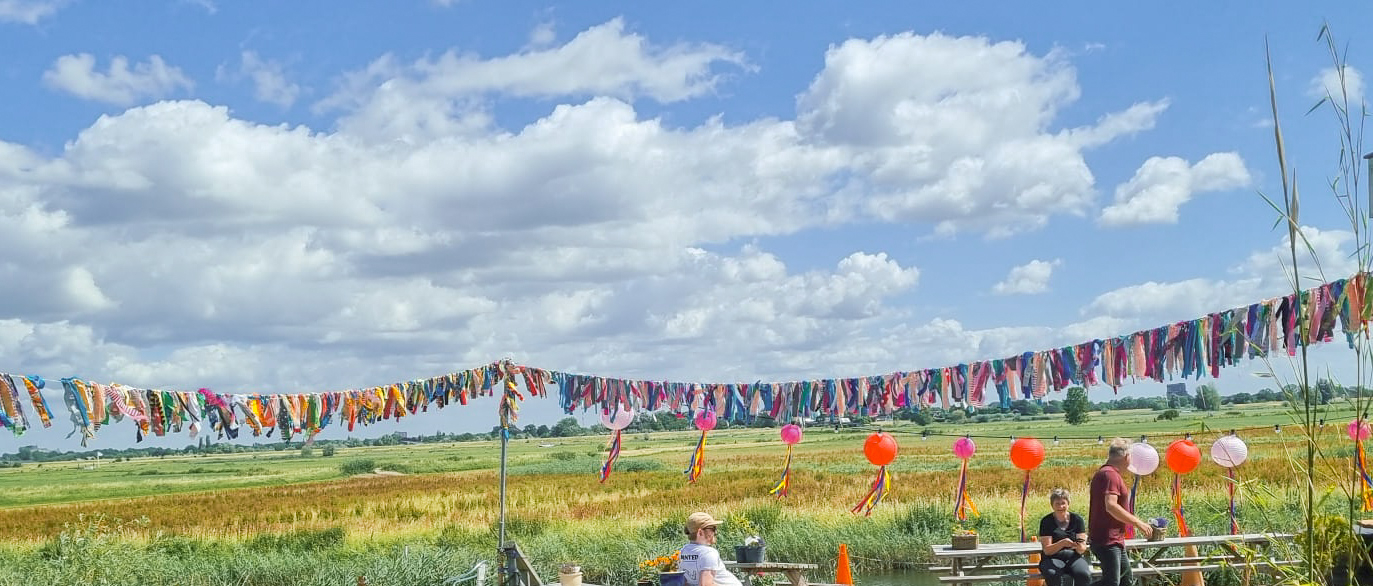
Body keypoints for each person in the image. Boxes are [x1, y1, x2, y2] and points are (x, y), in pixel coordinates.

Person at [1089, 438, 1156, 586]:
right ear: (1126, 456)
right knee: (1112, 582)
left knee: (1126, 580)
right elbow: (1111, 506)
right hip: (1107, 540)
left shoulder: (1107, 473)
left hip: (1115, 539)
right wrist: (1138, 522)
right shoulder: (1110, 475)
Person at [1037, 488, 1091, 586]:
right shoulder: (1046, 521)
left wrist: (1079, 546)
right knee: (1052, 574)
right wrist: (1062, 543)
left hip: (1073, 556)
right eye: (1057, 503)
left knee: (1083, 574)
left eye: (1063, 503)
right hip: (1052, 558)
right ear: (1052, 505)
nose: (1061, 506)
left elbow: (1082, 548)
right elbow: (1047, 551)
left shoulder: (1077, 520)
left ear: (1068, 504)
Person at [680, 512, 743, 586]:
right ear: (700, 532)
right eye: (713, 529)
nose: (715, 532)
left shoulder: (682, 552)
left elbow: (684, 582)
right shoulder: (708, 553)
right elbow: (706, 584)